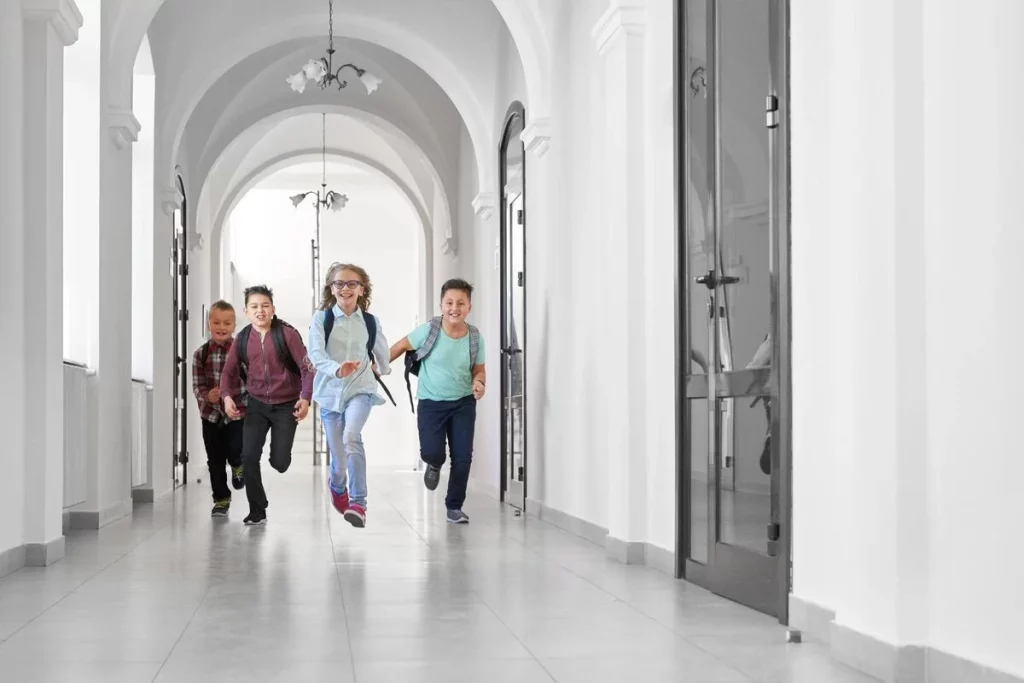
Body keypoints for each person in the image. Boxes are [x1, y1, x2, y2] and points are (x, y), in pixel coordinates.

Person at [389, 278, 486, 524]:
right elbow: (400, 346)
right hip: (431, 403)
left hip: (463, 402)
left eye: (461, 303)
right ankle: (433, 463)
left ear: (469, 307)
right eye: (450, 302)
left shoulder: (474, 337)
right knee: (433, 452)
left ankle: (454, 506)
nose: (455, 308)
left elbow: (479, 369)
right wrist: (376, 367)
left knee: (463, 457)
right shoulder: (429, 330)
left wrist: (479, 383)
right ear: (442, 305)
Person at [307, 263, 393, 528]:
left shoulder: (370, 321)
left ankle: (359, 503)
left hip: (361, 389)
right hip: (331, 392)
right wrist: (337, 369)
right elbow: (316, 354)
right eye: (339, 284)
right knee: (338, 461)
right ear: (331, 289)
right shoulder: (321, 319)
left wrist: (383, 367)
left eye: (352, 283)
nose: (345, 288)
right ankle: (337, 485)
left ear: (361, 288)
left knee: (351, 437)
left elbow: (382, 353)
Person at [220, 285, 313, 526]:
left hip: (287, 405)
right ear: (246, 311)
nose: (260, 311)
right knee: (249, 456)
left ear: (273, 309)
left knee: (280, 463)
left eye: (265, 305)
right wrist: (227, 396)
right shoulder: (241, 339)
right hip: (257, 405)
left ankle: (278, 457)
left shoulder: (287, 335)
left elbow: (306, 368)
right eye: (254, 307)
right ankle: (257, 509)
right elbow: (229, 372)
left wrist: (305, 397)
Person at [191, 301, 245, 517]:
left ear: (234, 326)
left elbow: (251, 382)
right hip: (210, 415)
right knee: (214, 459)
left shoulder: (241, 353)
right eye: (216, 322)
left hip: (236, 413)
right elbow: (197, 385)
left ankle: (237, 464)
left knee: (235, 448)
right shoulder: (200, 354)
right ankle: (221, 498)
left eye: (227, 323)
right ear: (208, 325)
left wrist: (235, 398)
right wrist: (207, 395)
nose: (221, 327)